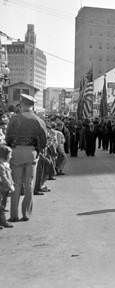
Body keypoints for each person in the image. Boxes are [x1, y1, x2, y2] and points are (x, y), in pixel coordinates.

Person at [6, 94, 48, 222]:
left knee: (16, 184)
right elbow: (44, 140)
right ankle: (26, 214)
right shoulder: (38, 120)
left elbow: (8, 137)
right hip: (31, 153)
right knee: (29, 184)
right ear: (32, 106)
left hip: (16, 152)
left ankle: (14, 215)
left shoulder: (14, 119)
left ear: (21, 104)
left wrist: (12, 147)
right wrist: (38, 150)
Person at [0, 145, 14, 228]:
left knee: (3, 205)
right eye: (10, 155)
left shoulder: (5, 164)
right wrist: (10, 186)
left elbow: (9, 175)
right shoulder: (1, 166)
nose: (11, 156)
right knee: (1, 207)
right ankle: (4, 221)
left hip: (4, 189)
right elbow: (4, 177)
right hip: (2, 188)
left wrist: (12, 182)